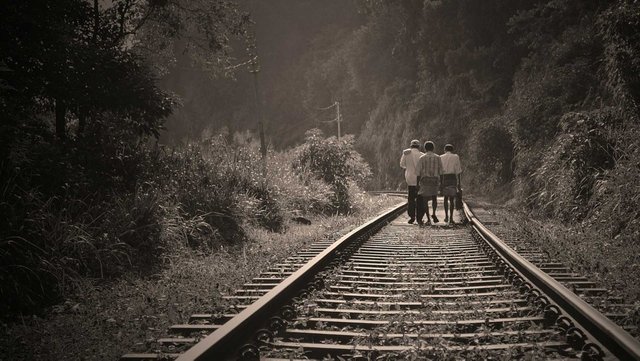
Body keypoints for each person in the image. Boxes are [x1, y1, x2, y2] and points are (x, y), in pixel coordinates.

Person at [415, 141, 442, 226]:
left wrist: (417, 184)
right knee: (434, 197)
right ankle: (433, 213)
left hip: (425, 180)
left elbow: (418, 172)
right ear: (433, 148)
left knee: (425, 200)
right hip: (434, 180)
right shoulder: (438, 157)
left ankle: (428, 219)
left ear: (425, 148)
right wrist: (441, 182)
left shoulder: (422, 158)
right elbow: (441, 171)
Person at [400, 139, 424, 224]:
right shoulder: (422, 155)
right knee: (420, 199)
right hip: (420, 179)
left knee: (411, 198)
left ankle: (412, 216)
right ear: (419, 146)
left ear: (411, 146)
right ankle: (419, 218)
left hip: (410, 178)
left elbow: (402, 164)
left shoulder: (406, 153)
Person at [440, 144, 462, 225]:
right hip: (453, 178)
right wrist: (459, 183)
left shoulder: (441, 157)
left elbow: (440, 171)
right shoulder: (456, 157)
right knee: (452, 199)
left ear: (445, 150)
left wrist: (440, 183)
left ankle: (446, 216)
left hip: (444, 178)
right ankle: (451, 218)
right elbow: (458, 171)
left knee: (445, 198)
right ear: (452, 150)